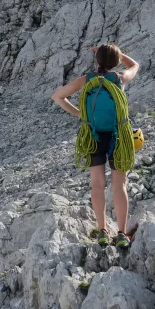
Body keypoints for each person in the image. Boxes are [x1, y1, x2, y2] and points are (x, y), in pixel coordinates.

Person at [51, 43, 140, 247]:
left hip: (94, 135)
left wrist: (80, 114)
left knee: (97, 185)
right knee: (119, 185)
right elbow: (135, 65)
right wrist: (119, 55)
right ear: (116, 62)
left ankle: (102, 231)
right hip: (119, 135)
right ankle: (122, 234)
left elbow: (57, 96)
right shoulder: (119, 79)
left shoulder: (87, 80)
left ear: (97, 61)